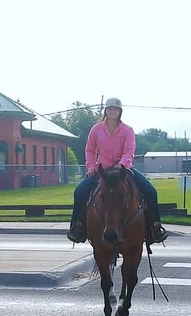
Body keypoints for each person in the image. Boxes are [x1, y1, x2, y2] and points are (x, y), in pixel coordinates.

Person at [67, 97, 168, 245]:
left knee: (151, 191)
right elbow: (89, 150)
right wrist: (91, 167)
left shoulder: (127, 130)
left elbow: (129, 151)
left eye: (115, 109)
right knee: (79, 191)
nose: (112, 111)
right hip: (102, 170)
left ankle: (155, 228)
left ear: (120, 112)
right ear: (106, 111)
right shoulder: (96, 129)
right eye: (109, 109)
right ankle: (78, 227)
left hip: (123, 169)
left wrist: (121, 165)